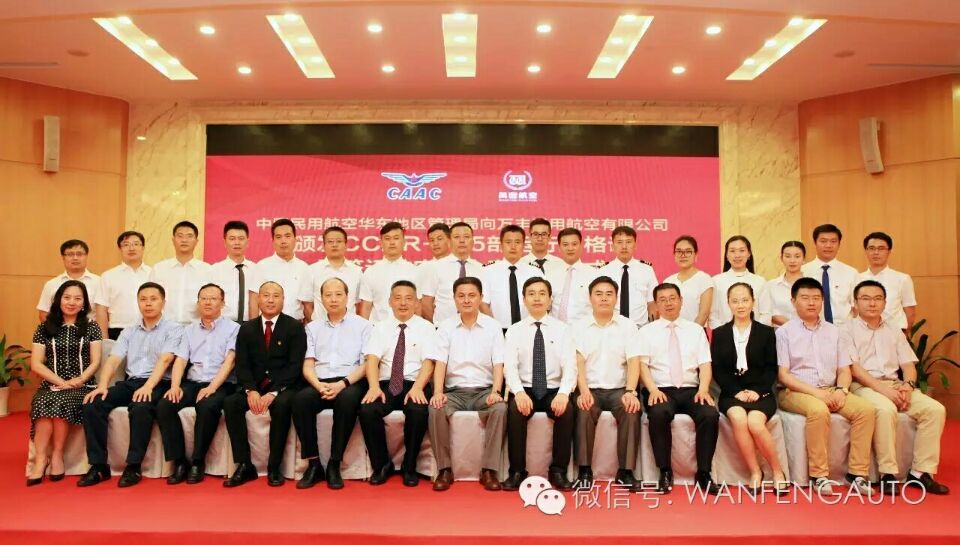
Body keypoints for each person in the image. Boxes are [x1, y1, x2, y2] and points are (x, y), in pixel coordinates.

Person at [846, 280, 948, 494]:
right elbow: (854, 369)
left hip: (895, 384)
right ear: (855, 303)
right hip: (863, 385)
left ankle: (919, 473)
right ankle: (888, 474)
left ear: (885, 303)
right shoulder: (846, 330)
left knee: (935, 409)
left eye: (878, 299)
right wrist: (884, 391)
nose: (872, 303)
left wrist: (908, 386)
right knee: (885, 409)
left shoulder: (893, 329)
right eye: (866, 298)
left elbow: (908, 365)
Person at [776, 277, 874, 495]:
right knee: (819, 411)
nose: (811, 303)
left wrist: (842, 390)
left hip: (831, 389)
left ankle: (857, 474)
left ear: (822, 300)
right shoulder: (784, 332)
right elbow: (783, 376)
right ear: (793, 301)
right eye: (805, 298)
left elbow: (844, 370)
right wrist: (817, 394)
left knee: (865, 410)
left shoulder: (834, 331)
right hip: (795, 391)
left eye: (816, 298)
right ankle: (818, 475)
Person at [78, 282, 183, 487]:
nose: (148, 304)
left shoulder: (174, 329)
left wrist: (148, 387)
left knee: (141, 406)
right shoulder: (129, 331)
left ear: (163, 303)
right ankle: (99, 466)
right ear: (138, 302)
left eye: (153, 299)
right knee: (93, 403)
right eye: (143, 299)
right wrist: (102, 385)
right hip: (131, 382)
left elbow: (165, 360)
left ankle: (133, 466)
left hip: (159, 383)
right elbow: (113, 360)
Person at [223, 281, 307, 487]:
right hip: (255, 385)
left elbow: (295, 366)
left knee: (282, 405)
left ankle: (274, 466)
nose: (270, 300)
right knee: (231, 403)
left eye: (276, 296)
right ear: (258, 299)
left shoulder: (294, 327)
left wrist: (274, 393)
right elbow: (242, 365)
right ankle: (244, 465)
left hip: (283, 387)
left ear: (283, 300)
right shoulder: (247, 329)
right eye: (266, 295)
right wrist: (251, 390)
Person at [638, 283, 720, 494]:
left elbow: (705, 364)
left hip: (692, 389)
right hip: (660, 388)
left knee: (709, 414)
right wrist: (652, 390)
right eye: (662, 300)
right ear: (656, 304)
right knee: (659, 413)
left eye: (672, 298)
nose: (668, 303)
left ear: (681, 301)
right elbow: (642, 366)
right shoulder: (646, 332)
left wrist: (704, 389)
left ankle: (704, 473)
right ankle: (665, 471)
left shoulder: (696, 331)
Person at [156, 283, 240, 485]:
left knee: (207, 405)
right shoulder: (189, 330)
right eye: (203, 298)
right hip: (193, 382)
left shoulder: (234, 329)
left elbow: (230, 362)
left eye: (213, 298)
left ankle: (198, 461)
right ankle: (179, 462)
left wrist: (212, 388)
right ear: (198, 303)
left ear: (223, 303)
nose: (208, 302)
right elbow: (181, 360)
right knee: (165, 405)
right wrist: (175, 386)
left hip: (221, 383)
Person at [428, 277, 507, 492]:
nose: (466, 300)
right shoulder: (446, 327)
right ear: (454, 299)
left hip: (484, 391)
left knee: (500, 408)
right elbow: (440, 363)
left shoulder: (493, 327)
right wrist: (438, 392)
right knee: (435, 408)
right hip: (454, 392)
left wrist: (496, 391)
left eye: (472, 295)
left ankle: (489, 470)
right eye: (461, 296)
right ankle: (444, 469)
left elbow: (499, 363)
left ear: (481, 298)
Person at [293, 277, 372, 490]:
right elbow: (307, 364)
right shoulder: (312, 328)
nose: (333, 299)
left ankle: (334, 464)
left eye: (338, 294)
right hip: (320, 381)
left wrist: (343, 384)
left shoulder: (363, 326)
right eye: (328, 295)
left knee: (347, 401)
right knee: (300, 401)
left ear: (348, 297)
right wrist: (318, 385)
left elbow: (367, 364)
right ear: (321, 299)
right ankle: (314, 464)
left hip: (350, 381)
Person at [501, 277, 577, 492]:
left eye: (542, 293)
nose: (537, 298)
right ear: (524, 299)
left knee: (567, 411)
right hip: (525, 389)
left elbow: (570, 366)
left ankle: (558, 471)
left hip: (553, 390)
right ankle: (517, 471)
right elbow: (510, 366)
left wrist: (563, 394)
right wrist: (518, 392)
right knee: (515, 410)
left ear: (550, 299)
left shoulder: (563, 330)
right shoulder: (515, 330)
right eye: (531, 294)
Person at [359, 280, 437, 487]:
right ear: (390, 302)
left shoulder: (427, 328)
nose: (403, 303)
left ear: (417, 302)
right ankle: (381, 465)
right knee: (368, 409)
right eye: (398, 298)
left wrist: (418, 387)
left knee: (418, 410)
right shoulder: (380, 327)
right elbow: (372, 360)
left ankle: (409, 466)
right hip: (386, 383)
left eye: (409, 298)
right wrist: (374, 387)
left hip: (415, 382)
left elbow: (429, 362)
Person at [711, 283, 787, 492]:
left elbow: (771, 368)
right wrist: (736, 391)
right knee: (738, 418)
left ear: (753, 302)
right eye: (735, 301)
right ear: (728, 304)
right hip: (731, 392)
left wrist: (757, 391)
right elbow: (718, 369)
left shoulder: (766, 332)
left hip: (761, 392)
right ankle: (755, 472)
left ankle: (778, 471)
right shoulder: (719, 333)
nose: (740, 305)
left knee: (755, 422)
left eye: (745, 300)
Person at [27, 281, 102, 486]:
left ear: (84, 303)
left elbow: (95, 361)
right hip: (51, 383)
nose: (71, 302)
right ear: (58, 300)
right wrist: (60, 381)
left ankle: (58, 455)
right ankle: (41, 459)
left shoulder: (92, 327)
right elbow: (36, 363)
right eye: (67, 297)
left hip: (82, 385)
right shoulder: (44, 328)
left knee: (61, 401)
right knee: (42, 402)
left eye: (77, 298)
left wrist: (78, 380)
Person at [572, 276, 643, 490]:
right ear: (590, 298)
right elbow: (578, 361)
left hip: (619, 389)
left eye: (609, 294)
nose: (604, 298)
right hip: (589, 388)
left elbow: (634, 361)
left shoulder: (628, 326)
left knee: (631, 409)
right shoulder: (579, 327)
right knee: (584, 409)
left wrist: (630, 391)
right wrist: (584, 391)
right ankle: (584, 470)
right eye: (599, 294)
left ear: (616, 298)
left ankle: (626, 471)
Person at [479, 224, 543, 332]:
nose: (513, 246)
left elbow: (542, 302)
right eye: (508, 242)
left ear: (523, 245)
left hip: (529, 329)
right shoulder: (488, 271)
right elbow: (483, 303)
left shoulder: (535, 272)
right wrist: (494, 328)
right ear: (501, 245)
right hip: (499, 329)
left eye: (517, 242)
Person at [148, 221, 213, 325]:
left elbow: (213, 302)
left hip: (196, 327)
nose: (184, 240)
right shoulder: (159, 269)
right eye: (180, 236)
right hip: (164, 327)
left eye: (189, 236)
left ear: (196, 241)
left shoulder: (207, 270)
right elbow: (149, 298)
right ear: (173, 240)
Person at [421, 222, 483, 324]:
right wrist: (436, 326)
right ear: (449, 241)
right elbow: (426, 302)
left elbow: (483, 303)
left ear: (473, 242)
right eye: (457, 237)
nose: (462, 241)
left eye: (466, 237)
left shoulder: (481, 268)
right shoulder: (436, 267)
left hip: (474, 327)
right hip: (442, 328)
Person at [358, 222, 419, 323]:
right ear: (381, 243)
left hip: (407, 328)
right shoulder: (371, 272)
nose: (392, 242)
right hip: (378, 328)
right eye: (387, 238)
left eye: (396, 238)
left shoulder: (415, 271)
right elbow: (366, 306)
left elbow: (418, 306)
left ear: (404, 242)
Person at [96, 231, 151, 340]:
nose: (131, 248)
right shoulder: (108, 276)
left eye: (136, 244)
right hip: (117, 331)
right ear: (120, 249)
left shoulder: (153, 273)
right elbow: (101, 309)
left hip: (149, 330)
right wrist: (104, 340)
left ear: (143, 248)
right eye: (126, 245)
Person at [300, 226, 362, 323]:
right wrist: (315, 325)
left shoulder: (357, 271)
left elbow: (359, 305)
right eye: (330, 241)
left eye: (339, 241)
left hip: (350, 327)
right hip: (320, 327)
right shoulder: (312, 270)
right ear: (324, 245)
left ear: (346, 245)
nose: (334, 245)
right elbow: (307, 304)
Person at [599, 226, 658, 326]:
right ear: (612, 246)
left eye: (628, 242)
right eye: (619, 242)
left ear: (635, 245)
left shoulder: (646, 270)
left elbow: (652, 302)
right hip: (612, 327)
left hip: (640, 328)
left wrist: (653, 326)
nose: (624, 246)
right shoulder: (603, 271)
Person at [858, 232, 917, 333]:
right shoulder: (857, 278)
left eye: (881, 248)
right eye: (871, 248)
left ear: (889, 251)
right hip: (863, 333)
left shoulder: (902, 279)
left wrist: (902, 335)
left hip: (895, 332)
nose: (876, 252)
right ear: (866, 251)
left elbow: (910, 313)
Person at [801, 224, 857, 325]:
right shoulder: (803, 272)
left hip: (843, 329)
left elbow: (857, 307)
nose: (828, 245)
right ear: (815, 242)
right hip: (810, 328)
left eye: (833, 241)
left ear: (839, 244)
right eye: (823, 241)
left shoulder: (851, 273)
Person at [257, 219, 309, 322]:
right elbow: (254, 300)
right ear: (273, 241)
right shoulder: (261, 266)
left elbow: (307, 303)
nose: (283, 241)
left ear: (295, 239)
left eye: (287, 236)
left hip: (296, 324)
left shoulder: (304, 267)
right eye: (278, 237)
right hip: (268, 325)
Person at [37, 239, 101, 322]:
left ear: (86, 256)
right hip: (58, 329)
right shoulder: (52, 284)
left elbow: (105, 313)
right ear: (63, 257)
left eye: (79, 254)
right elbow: (44, 313)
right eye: (70, 254)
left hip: (91, 329)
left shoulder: (99, 282)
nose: (75, 258)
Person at [710, 236, 765, 329]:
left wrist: (753, 332)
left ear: (749, 254)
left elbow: (766, 314)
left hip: (755, 335)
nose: (737, 255)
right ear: (726, 255)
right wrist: (725, 333)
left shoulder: (760, 281)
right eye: (732, 251)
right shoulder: (716, 281)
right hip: (725, 335)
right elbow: (712, 315)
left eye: (742, 250)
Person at [211, 220, 260, 323]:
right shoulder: (214, 270)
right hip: (222, 324)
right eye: (232, 239)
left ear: (247, 242)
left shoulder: (256, 269)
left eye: (241, 238)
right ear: (225, 242)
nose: (237, 243)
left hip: (249, 325)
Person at [546, 228, 599, 324]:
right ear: (559, 247)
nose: (570, 248)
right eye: (565, 245)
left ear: (581, 246)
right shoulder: (550, 275)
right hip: (555, 328)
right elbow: (545, 306)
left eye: (574, 244)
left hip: (584, 328)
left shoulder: (594, 275)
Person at [663, 235, 713, 327]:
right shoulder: (668, 281)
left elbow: (704, 313)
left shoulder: (705, 279)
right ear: (674, 255)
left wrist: (691, 332)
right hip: (672, 330)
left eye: (688, 251)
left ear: (696, 254)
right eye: (679, 251)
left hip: (696, 331)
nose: (683, 255)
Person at [757, 241, 804, 327]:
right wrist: (793, 326)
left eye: (797, 256)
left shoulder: (813, 285)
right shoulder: (770, 285)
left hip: (808, 331)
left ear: (803, 258)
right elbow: (766, 313)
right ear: (781, 258)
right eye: (787, 256)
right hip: (778, 332)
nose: (792, 260)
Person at [416, 223, 452, 297]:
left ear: (449, 241)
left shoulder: (459, 265)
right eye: (432, 240)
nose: (435, 243)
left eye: (439, 239)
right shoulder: (423, 267)